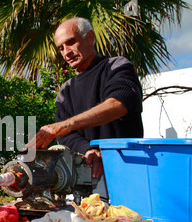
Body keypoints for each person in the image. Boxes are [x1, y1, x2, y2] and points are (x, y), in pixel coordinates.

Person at [27, 17, 143, 198]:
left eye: (71, 42)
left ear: (90, 37)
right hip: (90, 175)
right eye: (61, 48)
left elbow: (119, 103)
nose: (66, 52)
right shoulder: (65, 91)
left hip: (127, 169)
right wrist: (89, 149)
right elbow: (66, 136)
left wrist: (65, 125)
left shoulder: (116, 66)